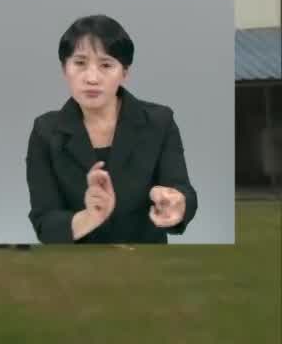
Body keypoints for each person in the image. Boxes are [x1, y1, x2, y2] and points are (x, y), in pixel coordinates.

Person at [25, 14, 199, 245]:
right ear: (64, 69)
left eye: (106, 65)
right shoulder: (45, 132)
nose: (92, 78)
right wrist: (90, 217)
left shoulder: (159, 122)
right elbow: (45, 222)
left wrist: (176, 203)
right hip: (76, 269)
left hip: (147, 265)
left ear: (124, 73)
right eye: (80, 63)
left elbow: (182, 190)